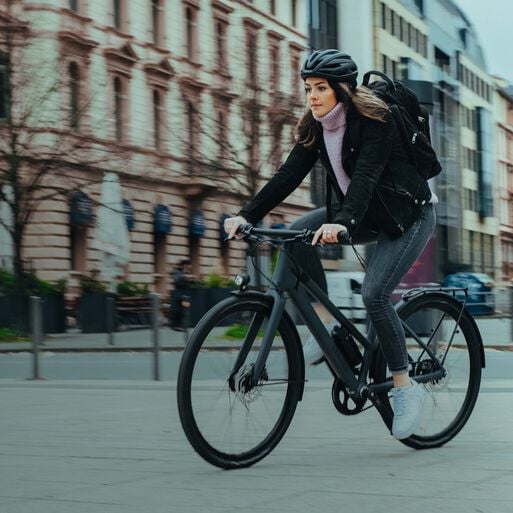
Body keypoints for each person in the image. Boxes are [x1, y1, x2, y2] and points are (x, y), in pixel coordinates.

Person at [224, 49, 437, 440]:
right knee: (298, 234)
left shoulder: (376, 120)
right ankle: (328, 330)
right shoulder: (317, 125)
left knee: (375, 295)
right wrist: (247, 215)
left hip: (407, 215)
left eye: (321, 88)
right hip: (365, 213)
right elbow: (288, 174)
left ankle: (406, 386)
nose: (313, 96)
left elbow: (367, 177)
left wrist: (342, 223)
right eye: (308, 88)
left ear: (342, 88)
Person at [170, 259, 194, 331]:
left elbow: (187, 284)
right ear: (185, 265)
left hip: (185, 296)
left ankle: (182, 325)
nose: (190, 267)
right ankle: (175, 325)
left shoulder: (185, 272)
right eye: (189, 265)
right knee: (178, 310)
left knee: (185, 310)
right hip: (178, 296)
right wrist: (185, 278)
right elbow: (176, 281)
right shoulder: (178, 272)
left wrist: (190, 281)